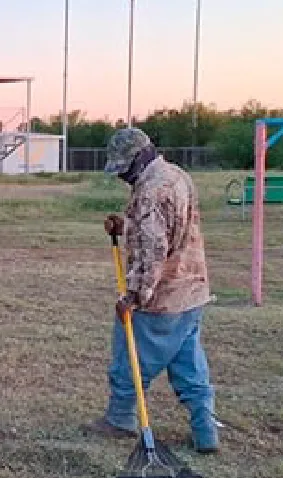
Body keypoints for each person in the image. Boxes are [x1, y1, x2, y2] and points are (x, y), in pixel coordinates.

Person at [85, 127, 220, 453]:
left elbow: (154, 251)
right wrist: (128, 226)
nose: (123, 177)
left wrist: (133, 296)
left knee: (129, 358)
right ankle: (205, 430)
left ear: (140, 157)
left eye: (124, 169)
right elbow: (170, 230)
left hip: (161, 298)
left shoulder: (149, 193)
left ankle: (120, 419)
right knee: (189, 366)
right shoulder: (178, 176)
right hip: (191, 291)